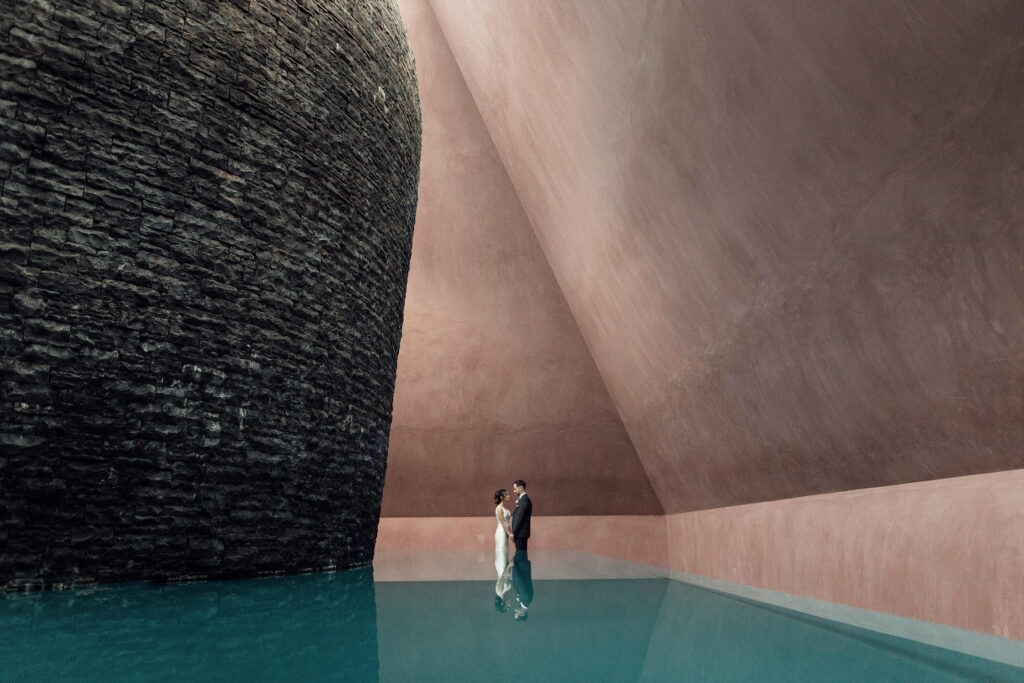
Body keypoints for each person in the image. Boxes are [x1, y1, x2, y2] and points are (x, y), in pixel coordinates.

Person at [494, 488, 512, 575]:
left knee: (505, 552)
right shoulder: (499, 508)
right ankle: (503, 571)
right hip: (501, 533)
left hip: (505, 532)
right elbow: (503, 522)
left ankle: (506, 567)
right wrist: (509, 533)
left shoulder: (505, 508)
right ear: (502, 497)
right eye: (506, 495)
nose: (509, 496)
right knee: (501, 551)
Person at [509, 480, 531, 551]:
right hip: (520, 534)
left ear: (520, 488)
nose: (514, 491)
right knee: (520, 556)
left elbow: (519, 517)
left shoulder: (524, 500)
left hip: (520, 534)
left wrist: (513, 532)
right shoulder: (522, 500)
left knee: (521, 556)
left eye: (515, 489)